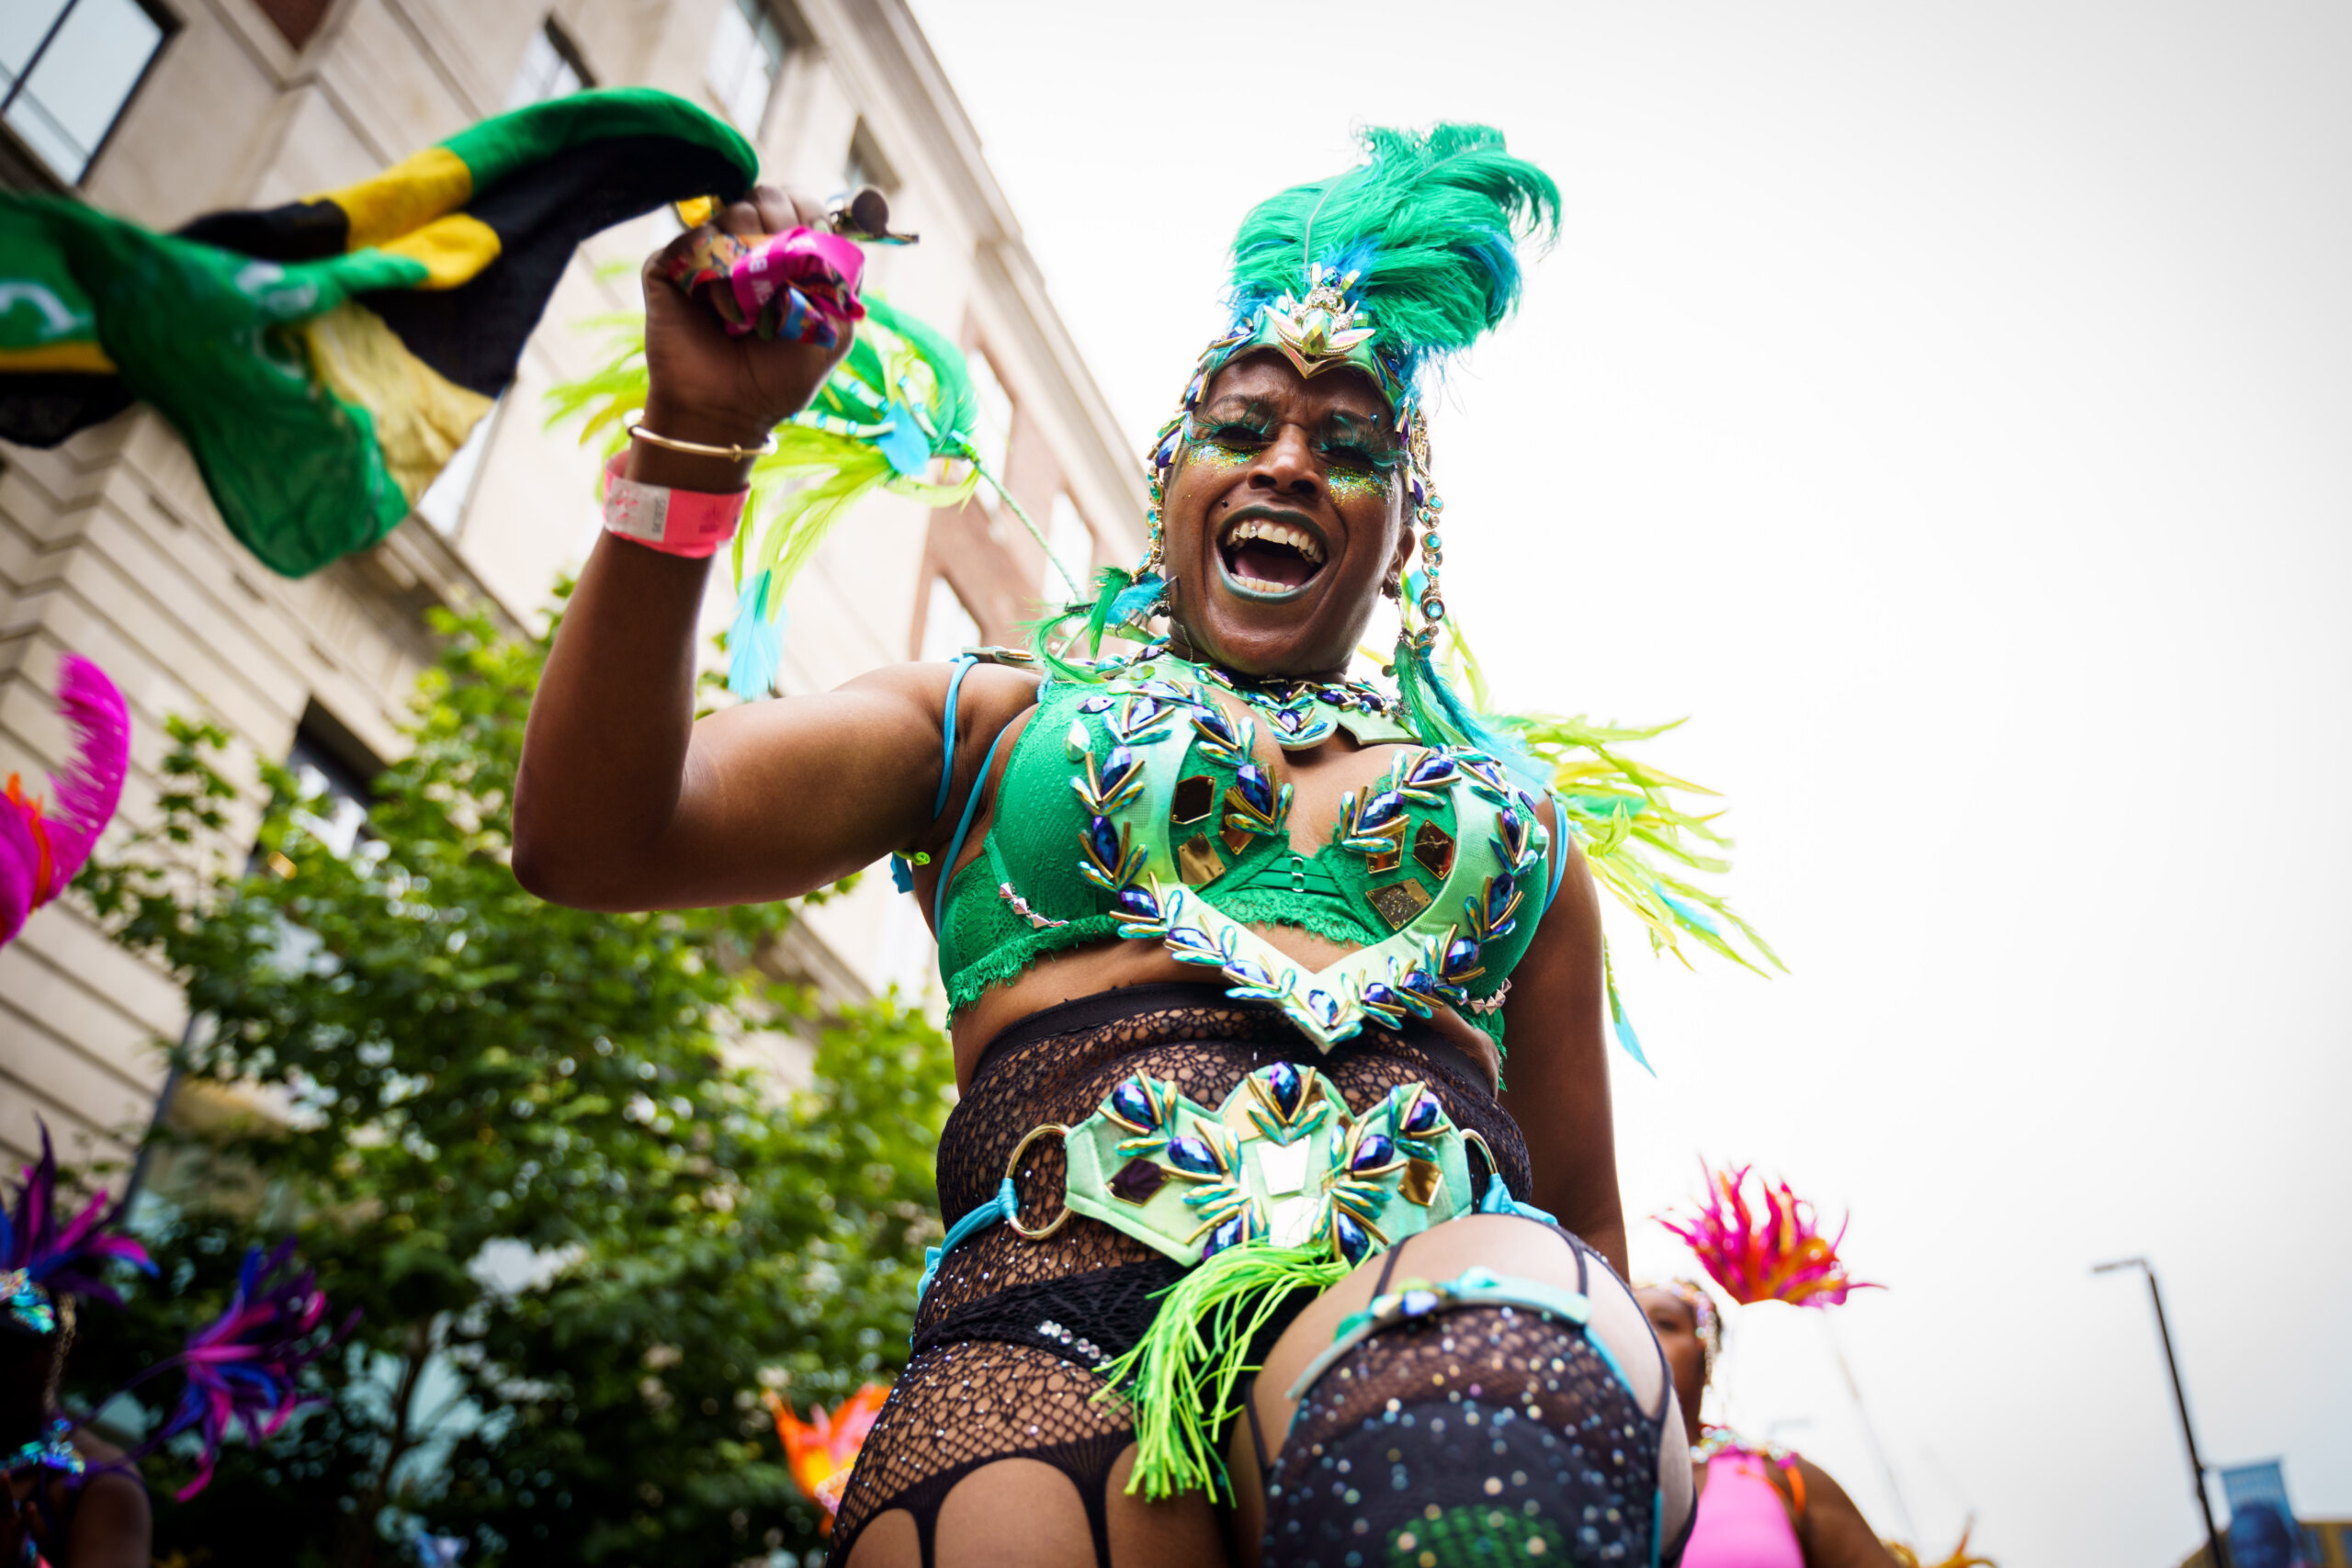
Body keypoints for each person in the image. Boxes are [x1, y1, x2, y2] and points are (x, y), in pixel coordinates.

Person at [518, 124, 1754, 1567]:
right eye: (1241, 429)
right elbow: (598, 833)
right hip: (1041, 1361)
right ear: (1170, 483)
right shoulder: (995, 720)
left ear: (1404, 532)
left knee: (1493, 1389)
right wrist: (699, 437)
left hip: (1423, 1375)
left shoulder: (1517, 828)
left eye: (1348, 448)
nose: (1288, 461)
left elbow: (1585, 1248)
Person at [1636, 1281, 1899, 1568]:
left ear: (1705, 1356)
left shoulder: (1786, 1478)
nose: (1639, 1336)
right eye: (1625, 1322)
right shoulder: (1582, 1486)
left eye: (1664, 1323)